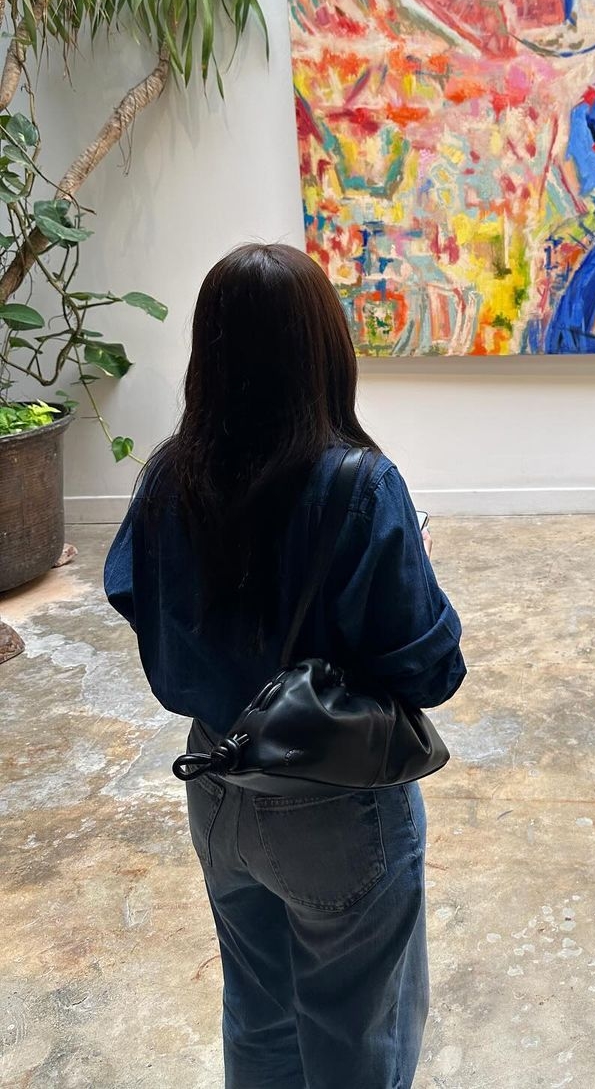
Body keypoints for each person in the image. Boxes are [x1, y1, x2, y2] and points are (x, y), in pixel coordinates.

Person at [104, 243, 465, 1089]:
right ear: (324, 349)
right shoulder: (361, 484)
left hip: (216, 780)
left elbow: (131, 593)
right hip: (335, 807)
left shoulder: (169, 476)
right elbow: (432, 670)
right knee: (358, 1040)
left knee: (259, 1022)